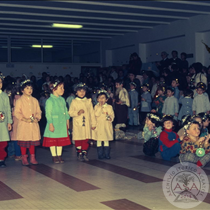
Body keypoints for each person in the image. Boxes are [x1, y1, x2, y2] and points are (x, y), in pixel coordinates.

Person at [14, 79, 42, 166]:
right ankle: (24, 157)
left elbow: (39, 111)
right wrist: (24, 119)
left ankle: (32, 157)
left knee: (32, 141)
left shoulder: (35, 100)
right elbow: (16, 112)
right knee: (24, 142)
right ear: (22, 90)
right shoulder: (20, 101)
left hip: (33, 124)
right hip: (24, 124)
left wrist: (37, 117)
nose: (29, 90)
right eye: (27, 88)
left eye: (31, 88)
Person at [43, 80, 71, 164]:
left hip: (62, 123)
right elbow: (48, 113)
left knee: (60, 140)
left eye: (63, 88)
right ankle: (54, 156)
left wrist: (67, 121)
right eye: (60, 88)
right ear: (54, 89)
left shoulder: (62, 99)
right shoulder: (50, 101)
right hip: (54, 123)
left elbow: (66, 111)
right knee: (53, 140)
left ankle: (59, 155)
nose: (63, 89)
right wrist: (50, 124)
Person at [69, 83, 96, 161]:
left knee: (85, 139)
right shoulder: (74, 101)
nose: (82, 93)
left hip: (86, 123)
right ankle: (79, 152)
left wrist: (93, 123)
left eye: (83, 91)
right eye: (80, 91)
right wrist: (77, 113)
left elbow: (92, 113)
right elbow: (70, 112)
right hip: (77, 124)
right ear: (76, 92)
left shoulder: (88, 101)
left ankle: (84, 152)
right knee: (78, 138)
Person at [92, 90, 114, 159]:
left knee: (106, 139)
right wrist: (100, 108)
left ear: (106, 99)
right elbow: (95, 115)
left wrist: (109, 117)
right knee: (99, 140)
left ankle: (107, 154)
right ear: (97, 99)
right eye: (100, 98)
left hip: (106, 126)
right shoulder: (96, 107)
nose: (101, 99)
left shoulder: (109, 107)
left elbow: (112, 115)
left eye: (103, 98)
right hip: (99, 125)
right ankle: (100, 155)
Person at [0, 73, 12, 167]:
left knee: (3, 141)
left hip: (2, 122)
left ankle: (1, 159)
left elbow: (8, 109)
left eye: (0, 82)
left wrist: (9, 122)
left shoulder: (4, 95)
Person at [10, 85, 22, 161]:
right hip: (17, 120)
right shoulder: (19, 98)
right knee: (17, 138)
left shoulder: (12, 98)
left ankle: (16, 154)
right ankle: (18, 154)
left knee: (15, 138)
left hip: (16, 120)